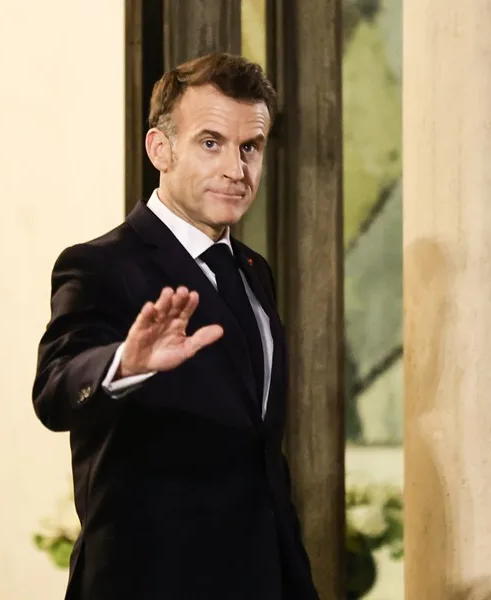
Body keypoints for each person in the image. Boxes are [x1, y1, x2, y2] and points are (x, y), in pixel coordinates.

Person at [32, 52, 319, 600]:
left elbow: (261, 455)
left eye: (250, 147)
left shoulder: (254, 271)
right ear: (159, 149)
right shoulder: (99, 265)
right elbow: (55, 391)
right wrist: (124, 364)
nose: (236, 169)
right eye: (211, 143)